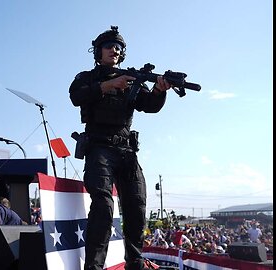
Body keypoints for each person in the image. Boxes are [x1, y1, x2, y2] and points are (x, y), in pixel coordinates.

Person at [69, 25, 172, 270]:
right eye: (108, 46)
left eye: (118, 47)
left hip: (126, 150)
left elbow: (149, 105)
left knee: (137, 205)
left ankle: (134, 263)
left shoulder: (131, 79)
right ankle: (94, 267)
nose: (114, 50)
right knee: (103, 206)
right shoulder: (87, 77)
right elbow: (76, 96)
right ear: (97, 51)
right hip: (99, 148)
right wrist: (108, 85)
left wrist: (159, 90)